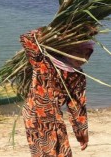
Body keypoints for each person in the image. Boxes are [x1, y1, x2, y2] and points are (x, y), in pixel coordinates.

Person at [20, 27, 94, 157]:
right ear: (67, 50)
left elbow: (77, 106)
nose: (82, 58)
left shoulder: (78, 76)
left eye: (86, 54)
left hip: (55, 117)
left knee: (62, 153)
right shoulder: (44, 62)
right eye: (78, 52)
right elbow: (27, 38)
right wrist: (52, 30)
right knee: (49, 153)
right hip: (35, 115)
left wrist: (82, 134)